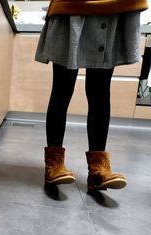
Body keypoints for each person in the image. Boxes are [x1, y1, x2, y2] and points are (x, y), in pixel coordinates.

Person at [35, 0, 148, 191]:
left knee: (100, 92)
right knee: (62, 89)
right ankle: (54, 164)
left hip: (111, 7)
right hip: (72, 8)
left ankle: (98, 168)